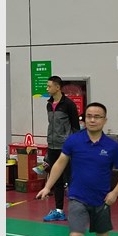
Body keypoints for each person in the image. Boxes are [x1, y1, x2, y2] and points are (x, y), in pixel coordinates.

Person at [35, 102, 118, 236]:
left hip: (102, 200)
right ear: (84, 119)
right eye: (89, 116)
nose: (92, 120)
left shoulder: (111, 146)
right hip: (77, 197)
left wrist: (115, 192)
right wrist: (47, 187)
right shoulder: (74, 141)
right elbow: (60, 163)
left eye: (97, 117)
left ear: (105, 120)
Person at [40, 75, 81, 221]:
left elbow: (75, 127)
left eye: (49, 86)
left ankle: (77, 211)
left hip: (66, 148)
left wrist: (75, 147)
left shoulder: (69, 105)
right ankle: (59, 210)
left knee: (71, 179)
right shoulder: (49, 104)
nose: (47, 88)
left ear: (57, 87)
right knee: (56, 179)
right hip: (52, 146)